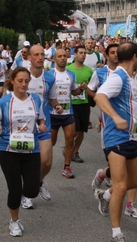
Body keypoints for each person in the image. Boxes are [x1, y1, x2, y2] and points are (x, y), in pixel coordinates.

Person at [93, 42, 137, 241]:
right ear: (135, 56)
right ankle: (116, 232)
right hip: (115, 138)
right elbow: (100, 97)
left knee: (134, 181)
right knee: (120, 185)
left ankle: (105, 195)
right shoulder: (118, 77)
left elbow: (130, 105)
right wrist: (115, 117)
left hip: (132, 137)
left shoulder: (132, 81)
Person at [0, 67, 46, 237]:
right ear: (12, 81)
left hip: (31, 150)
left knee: (32, 191)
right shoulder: (3, 102)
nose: (24, 84)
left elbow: (41, 118)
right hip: (8, 150)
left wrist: (42, 124)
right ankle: (15, 221)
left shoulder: (36, 100)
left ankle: (22, 189)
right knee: (15, 189)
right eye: (20, 81)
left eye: (27, 81)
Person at [20, 45, 63, 209]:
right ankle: (26, 193)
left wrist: (57, 106)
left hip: (43, 125)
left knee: (46, 162)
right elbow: (12, 99)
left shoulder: (50, 78)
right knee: (27, 163)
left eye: (42, 55)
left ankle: (37, 183)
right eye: (36, 55)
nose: (40, 57)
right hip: (24, 127)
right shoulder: (22, 75)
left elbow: (51, 99)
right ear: (29, 58)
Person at [48, 49, 87, 179]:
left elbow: (74, 91)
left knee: (70, 140)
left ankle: (67, 167)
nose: (63, 58)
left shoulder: (71, 74)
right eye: (59, 56)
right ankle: (43, 161)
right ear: (55, 59)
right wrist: (55, 105)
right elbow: (45, 95)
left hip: (67, 113)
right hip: (52, 113)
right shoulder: (49, 75)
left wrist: (81, 88)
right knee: (51, 142)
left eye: (64, 56)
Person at [66, 45, 93, 163]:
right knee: (74, 131)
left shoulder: (89, 70)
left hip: (84, 103)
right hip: (72, 103)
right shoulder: (69, 69)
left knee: (82, 130)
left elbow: (92, 87)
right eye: (80, 53)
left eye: (84, 53)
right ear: (75, 54)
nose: (83, 55)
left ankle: (75, 152)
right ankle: (68, 148)